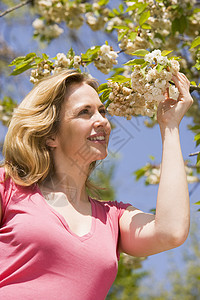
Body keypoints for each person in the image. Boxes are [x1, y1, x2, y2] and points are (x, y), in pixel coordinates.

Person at [0, 69, 193, 299]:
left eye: (102, 111)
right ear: (51, 135)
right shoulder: (9, 187)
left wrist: (169, 126)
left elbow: (170, 231)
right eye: (85, 112)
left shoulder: (113, 218)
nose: (102, 120)